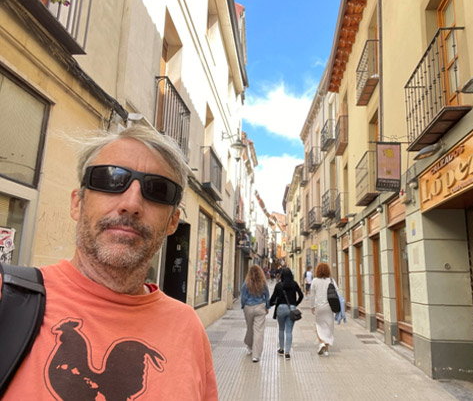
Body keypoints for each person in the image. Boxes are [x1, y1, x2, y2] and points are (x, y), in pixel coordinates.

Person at [0, 125, 217, 400]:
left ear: (172, 221)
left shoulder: (188, 329)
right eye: (110, 179)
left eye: (158, 190)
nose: (131, 203)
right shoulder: (7, 297)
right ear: (77, 203)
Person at [269, 267, 303, 360]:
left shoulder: (279, 285)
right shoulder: (294, 284)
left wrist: (268, 305)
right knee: (289, 331)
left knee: (281, 329)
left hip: (280, 309)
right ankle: (287, 352)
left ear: (282, 275)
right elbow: (301, 295)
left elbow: (273, 299)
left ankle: (281, 349)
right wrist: (295, 303)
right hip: (291, 308)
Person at [241, 265, 270, 363]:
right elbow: (267, 295)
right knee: (258, 331)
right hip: (260, 307)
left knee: (250, 328)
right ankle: (256, 355)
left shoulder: (246, 283)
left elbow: (243, 296)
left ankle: (249, 345)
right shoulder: (263, 283)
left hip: (248, 307)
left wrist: (243, 306)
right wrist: (267, 306)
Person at [310, 262, 339, 357]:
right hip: (329, 308)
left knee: (319, 327)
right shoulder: (331, 280)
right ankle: (326, 350)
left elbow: (312, 296)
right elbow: (337, 293)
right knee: (328, 328)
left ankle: (321, 342)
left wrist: (312, 307)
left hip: (319, 308)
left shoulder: (314, 281)